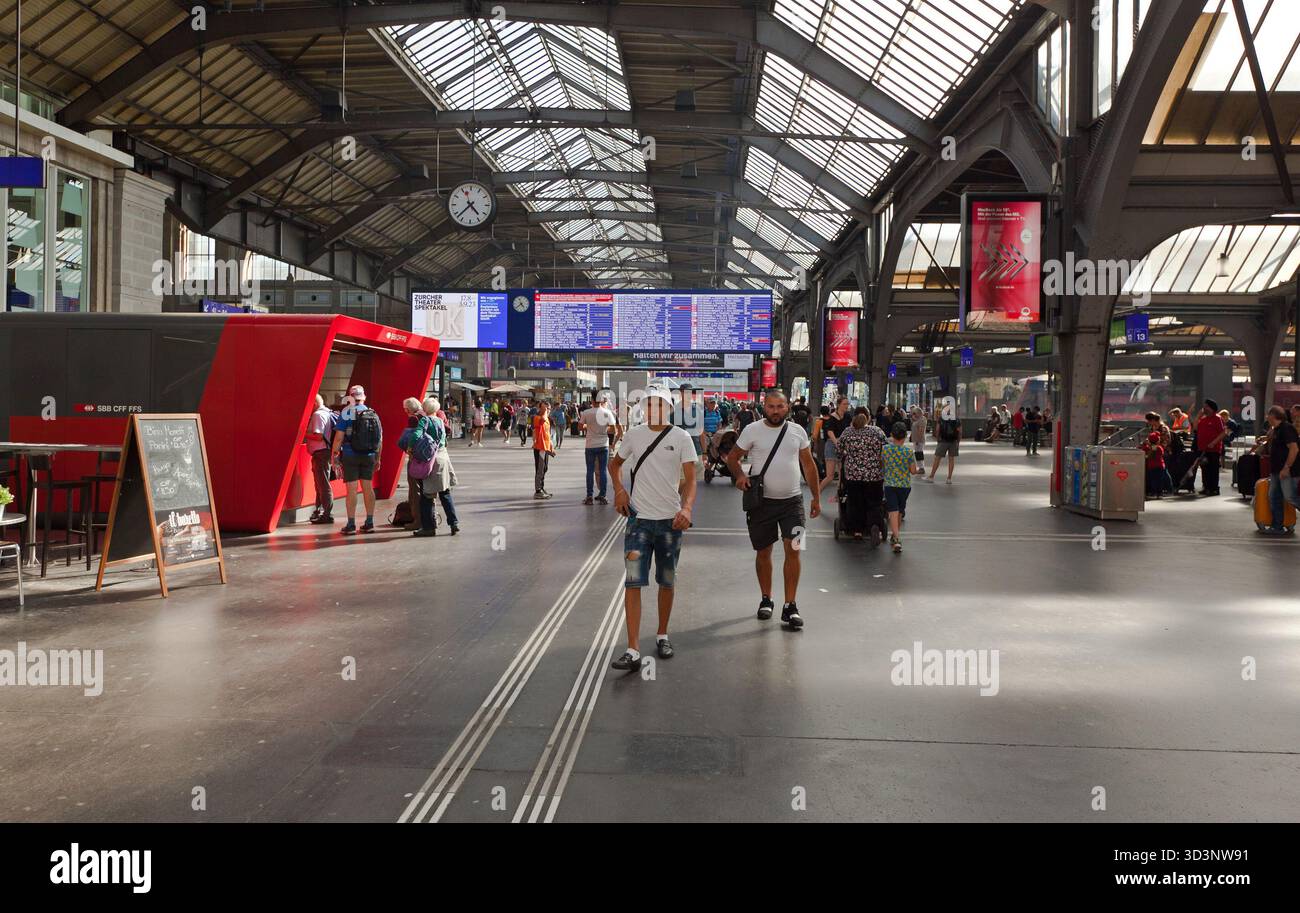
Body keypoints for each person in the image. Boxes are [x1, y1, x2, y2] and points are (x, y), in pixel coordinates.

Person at [608, 388, 697, 670]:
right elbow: (615, 464)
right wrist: (620, 490)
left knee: (667, 581)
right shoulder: (634, 435)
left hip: (671, 522)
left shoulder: (681, 437)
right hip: (638, 521)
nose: (654, 409)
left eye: (660, 404)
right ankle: (633, 648)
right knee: (633, 583)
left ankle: (662, 634)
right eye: (649, 404)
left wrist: (686, 508)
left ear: (669, 409)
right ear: (643, 408)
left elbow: (692, 479)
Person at [726, 390, 820, 630]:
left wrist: (816, 498)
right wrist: (738, 476)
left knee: (795, 551)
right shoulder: (752, 430)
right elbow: (733, 457)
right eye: (771, 406)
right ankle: (766, 599)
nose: (776, 410)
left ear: (787, 407)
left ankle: (791, 605)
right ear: (764, 406)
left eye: (780, 406)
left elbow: (808, 466)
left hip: (794, 504)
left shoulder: (798, 431)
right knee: (763, 552)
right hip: (761, 504)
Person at [330, 384, 382, 535]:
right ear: (363, 397)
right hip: (369, 455)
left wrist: (334, 456)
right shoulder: (372, 413)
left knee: (351, 490)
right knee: (368, 487)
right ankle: (370, 522)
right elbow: (379, 439)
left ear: (351, 397)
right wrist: (378, 458)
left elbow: (339, 437)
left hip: (350, 455)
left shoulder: (347, 412)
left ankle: (351, 524)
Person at [836, 412, 886, 540]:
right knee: (874, 502)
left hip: (853, 475)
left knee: (855, 502)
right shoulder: (877, 431)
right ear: (867, 421)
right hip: (874, 475)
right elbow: (885, 447)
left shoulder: (848, 432)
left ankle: (857, 529)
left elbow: (839, 449)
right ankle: (874, 525)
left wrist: (844, 455)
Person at [883, 422, 922, 553]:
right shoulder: (908, 452)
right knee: (899, 511)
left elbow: (881, 464)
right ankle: (895, 536)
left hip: (890, 485)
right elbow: (913, 471)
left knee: (892, 511)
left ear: (892, 435)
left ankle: (897, 538)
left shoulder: (886, 449)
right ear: (905, 436)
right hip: (904, 486)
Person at [422, 397, 459, 535]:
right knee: (445, 493)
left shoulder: (424, 421)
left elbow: (417, 436)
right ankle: (454, 522)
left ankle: (428, 527)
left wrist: (410, 447)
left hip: (432, 460)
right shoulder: (440, 422)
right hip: (444, 457)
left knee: (427, 495)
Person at [1262, 405, 1300, 534]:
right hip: (1276, 470)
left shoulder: (1286, 429)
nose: (1267, 417)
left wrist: (1286, 467)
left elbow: (1294, 449)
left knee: (1291, 497)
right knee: (1274, 497)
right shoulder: (1277, 429)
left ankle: (1277, 526)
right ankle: (1277, 526)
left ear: (1273, 415)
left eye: (1268, 414)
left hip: (1287, 470)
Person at [580, 395, 618, 505]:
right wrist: (604, 430)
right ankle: (602, 495)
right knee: (603, 471)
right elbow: (613, 429)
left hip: (590, 445)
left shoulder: (586, 413)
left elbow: (580, 427)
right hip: (603, 445)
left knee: (590, 471)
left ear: (591, 400)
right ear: (601, 401)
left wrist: (589, 426)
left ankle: (589, 496)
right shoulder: (607, 413)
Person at [304, 394, 336, 525]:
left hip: (321, 453)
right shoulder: (327, 412)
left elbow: (318, 436)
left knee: (322, 484)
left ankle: (326, 513)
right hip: (325, 452)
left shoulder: (317, 415)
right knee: (321, 483)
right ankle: (320, 510)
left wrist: (302, 433)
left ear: (314, 404)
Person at [1193, 399, 1226, 495]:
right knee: (1204, 468)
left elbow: (1223, 432)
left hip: (1213, 449)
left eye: (1207, 406)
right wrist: (1198, 416)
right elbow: (1195, 428)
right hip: (1202, 448)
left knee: (1213, 469)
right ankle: (1206, 487)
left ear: (1212, 408)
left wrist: (1214, 442)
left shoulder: (1217, 418)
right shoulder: (1203, 419)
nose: (1204, 408)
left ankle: (1214, 488)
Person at [818, 396, 851, 495]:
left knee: (843, 474)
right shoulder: (832, 417)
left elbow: (850, 429)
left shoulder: (847, 416)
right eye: (844, 404)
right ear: (839, 405)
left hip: (843, 446)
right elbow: (829, 432)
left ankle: (839, 494)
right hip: (832, 445)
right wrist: (837, 443)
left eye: (847, 404)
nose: (846, 406)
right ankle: (817, 493)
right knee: (830, 476)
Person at [928, 408, 961, 483]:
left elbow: (937, 430)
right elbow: (960, 431)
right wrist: (958, 442)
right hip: (953, 441)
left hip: (943, 440)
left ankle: (931, 476)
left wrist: (938, 439)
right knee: (951, 459)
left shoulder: (941, 418)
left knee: (937, 458)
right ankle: (949, 478)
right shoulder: (957, 419)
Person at [532, 400, 556, 499]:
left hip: (545, 447)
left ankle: (541, 488)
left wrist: (551, 447)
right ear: (540, 409)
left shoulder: (547, 420)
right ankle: (538, 491)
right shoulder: (537, 418)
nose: (548, 410)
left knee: (545, 468)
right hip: (539, 447)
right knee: (540, 469)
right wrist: (544, 411)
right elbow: (541, 421)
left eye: (549, 408)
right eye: (546, 408)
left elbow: (548, 435)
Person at [1142, 431, 1171, 499]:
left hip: (1152, 466)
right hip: (1160, 466)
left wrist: (1146, 445)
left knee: (1153, 480)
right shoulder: (1159, 448)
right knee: (1159, 480)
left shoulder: (1149, 448)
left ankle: (1154, 493)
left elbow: (1147, 454)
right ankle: (1159, 493)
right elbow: (1161, 453)